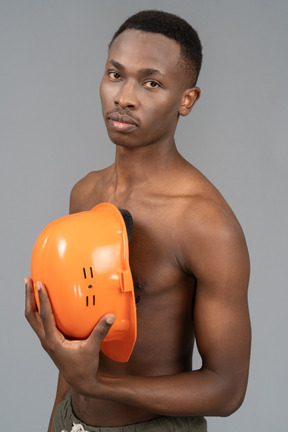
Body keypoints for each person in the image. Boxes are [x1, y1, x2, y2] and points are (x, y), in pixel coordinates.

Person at [25, 10, 251, 432]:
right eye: (115, 74)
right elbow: (79, 351)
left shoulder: (204, 222)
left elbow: (227, 389)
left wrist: (98, 384)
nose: (124, 97)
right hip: (72, 420)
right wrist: (61, 414)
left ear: (187, 99)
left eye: (151, 82)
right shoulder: (86, 194)